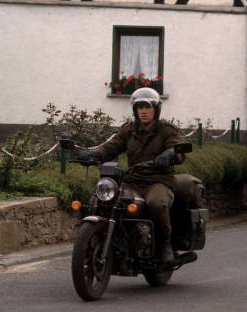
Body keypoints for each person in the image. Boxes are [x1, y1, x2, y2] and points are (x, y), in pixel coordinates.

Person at [77, 87, 184, 267]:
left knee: (156, 203)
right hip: (132, 181)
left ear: (156, 109)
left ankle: (165, 243)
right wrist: (94, 154)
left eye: (147, 107)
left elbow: (178, 147)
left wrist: (171, 154)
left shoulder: (166, 130)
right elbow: (112, 146)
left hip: (158, 181)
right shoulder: (128, 130)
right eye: (139, 107)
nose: (143, 111)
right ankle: (96, 239)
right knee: (101, 199)